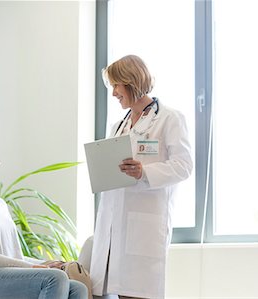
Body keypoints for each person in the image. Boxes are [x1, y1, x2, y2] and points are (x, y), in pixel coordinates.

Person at [90, 55, 193, 299]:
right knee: (106, 292)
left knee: (136, 293)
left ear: (132, 82)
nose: (114, 93)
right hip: (114, 221)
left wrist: (144, 172)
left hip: (144, 225)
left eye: (117, 85)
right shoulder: (119, 125)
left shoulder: (169, 118)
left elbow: (184, 165)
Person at [0, 139, 88, 299]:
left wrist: (43, 264)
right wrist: (33, 267)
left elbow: (13, 255)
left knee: (78, 288)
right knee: (54, 278)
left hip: (9, 275)